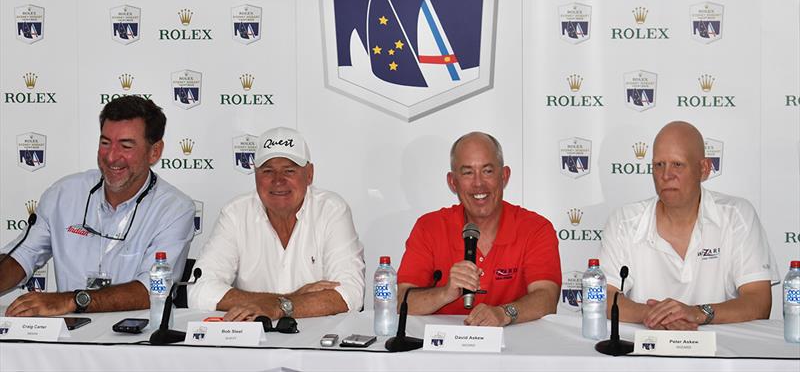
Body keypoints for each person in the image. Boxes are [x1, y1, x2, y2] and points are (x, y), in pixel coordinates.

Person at [0, 96, 195, 316]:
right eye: (105, 143)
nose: (111, 156)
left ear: (155, 151)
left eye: (126, 145)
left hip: (137, 340)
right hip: (67, 337)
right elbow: (22, 256)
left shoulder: (175, 209)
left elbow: (151, 289)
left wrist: (73, 300)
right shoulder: (64, 194)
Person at [600, 121, 779, 329]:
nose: (666, 175)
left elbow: (759, 301)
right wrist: (653, 315)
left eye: (677, 164)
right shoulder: (624, 221)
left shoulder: (737, 215)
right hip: (644, 351)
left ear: (704, 169)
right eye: (659, 165)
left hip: (720, 353)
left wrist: (696, 313)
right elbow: (603, 297)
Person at [188, 127, 365, 321]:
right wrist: (289, 301)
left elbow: (350, 295)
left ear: (309, 174)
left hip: (319, 344)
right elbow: (199, 290)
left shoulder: (331, 210)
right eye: (267, 171)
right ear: (255, 174)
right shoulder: (235, 213)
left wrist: (276, 307)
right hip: (251, 342)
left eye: (289, 171)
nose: (278, 180)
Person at [396, 132, 561, 326]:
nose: (478, 183)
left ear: (504, 176)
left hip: (515, 350)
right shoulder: (429, 227)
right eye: (467, 172)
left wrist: (504, 313)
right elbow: (402, 302)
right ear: (452, 182)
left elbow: (547, 299)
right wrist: (445, 293)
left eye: (487, 171)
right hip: (443, 349)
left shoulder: (535, 228)